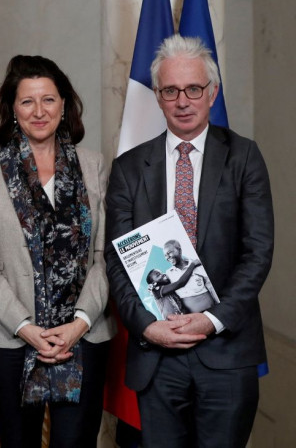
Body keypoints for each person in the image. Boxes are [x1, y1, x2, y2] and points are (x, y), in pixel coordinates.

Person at [105, 34, 274, 448]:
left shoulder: (244, 156)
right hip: (156, 357)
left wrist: (211, 319)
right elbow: (116, 260)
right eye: (170, 90)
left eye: (193, 89)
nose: (183, 100)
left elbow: (257, 252)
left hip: (227, 352)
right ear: (158, 98)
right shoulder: (128, 168)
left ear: (211, 93)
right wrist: (147, 327)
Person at [0, 55, 116, 448]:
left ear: (64, 104)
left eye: (48, 99)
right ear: (12, 108)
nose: (39, 111)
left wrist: (79, 323)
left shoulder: (93, 165)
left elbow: (106, 255)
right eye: (27, 101)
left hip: (83, 335)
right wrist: (26, 327)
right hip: (9, 336)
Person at [163, 239, 217, 313]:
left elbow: (210, 286)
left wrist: (219, 305)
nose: (167, 257)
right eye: (165, 255)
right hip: (193, 317)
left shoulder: (197, 265)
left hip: (211, 309)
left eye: (169, 252)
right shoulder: (168, 273)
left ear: (179, 250)